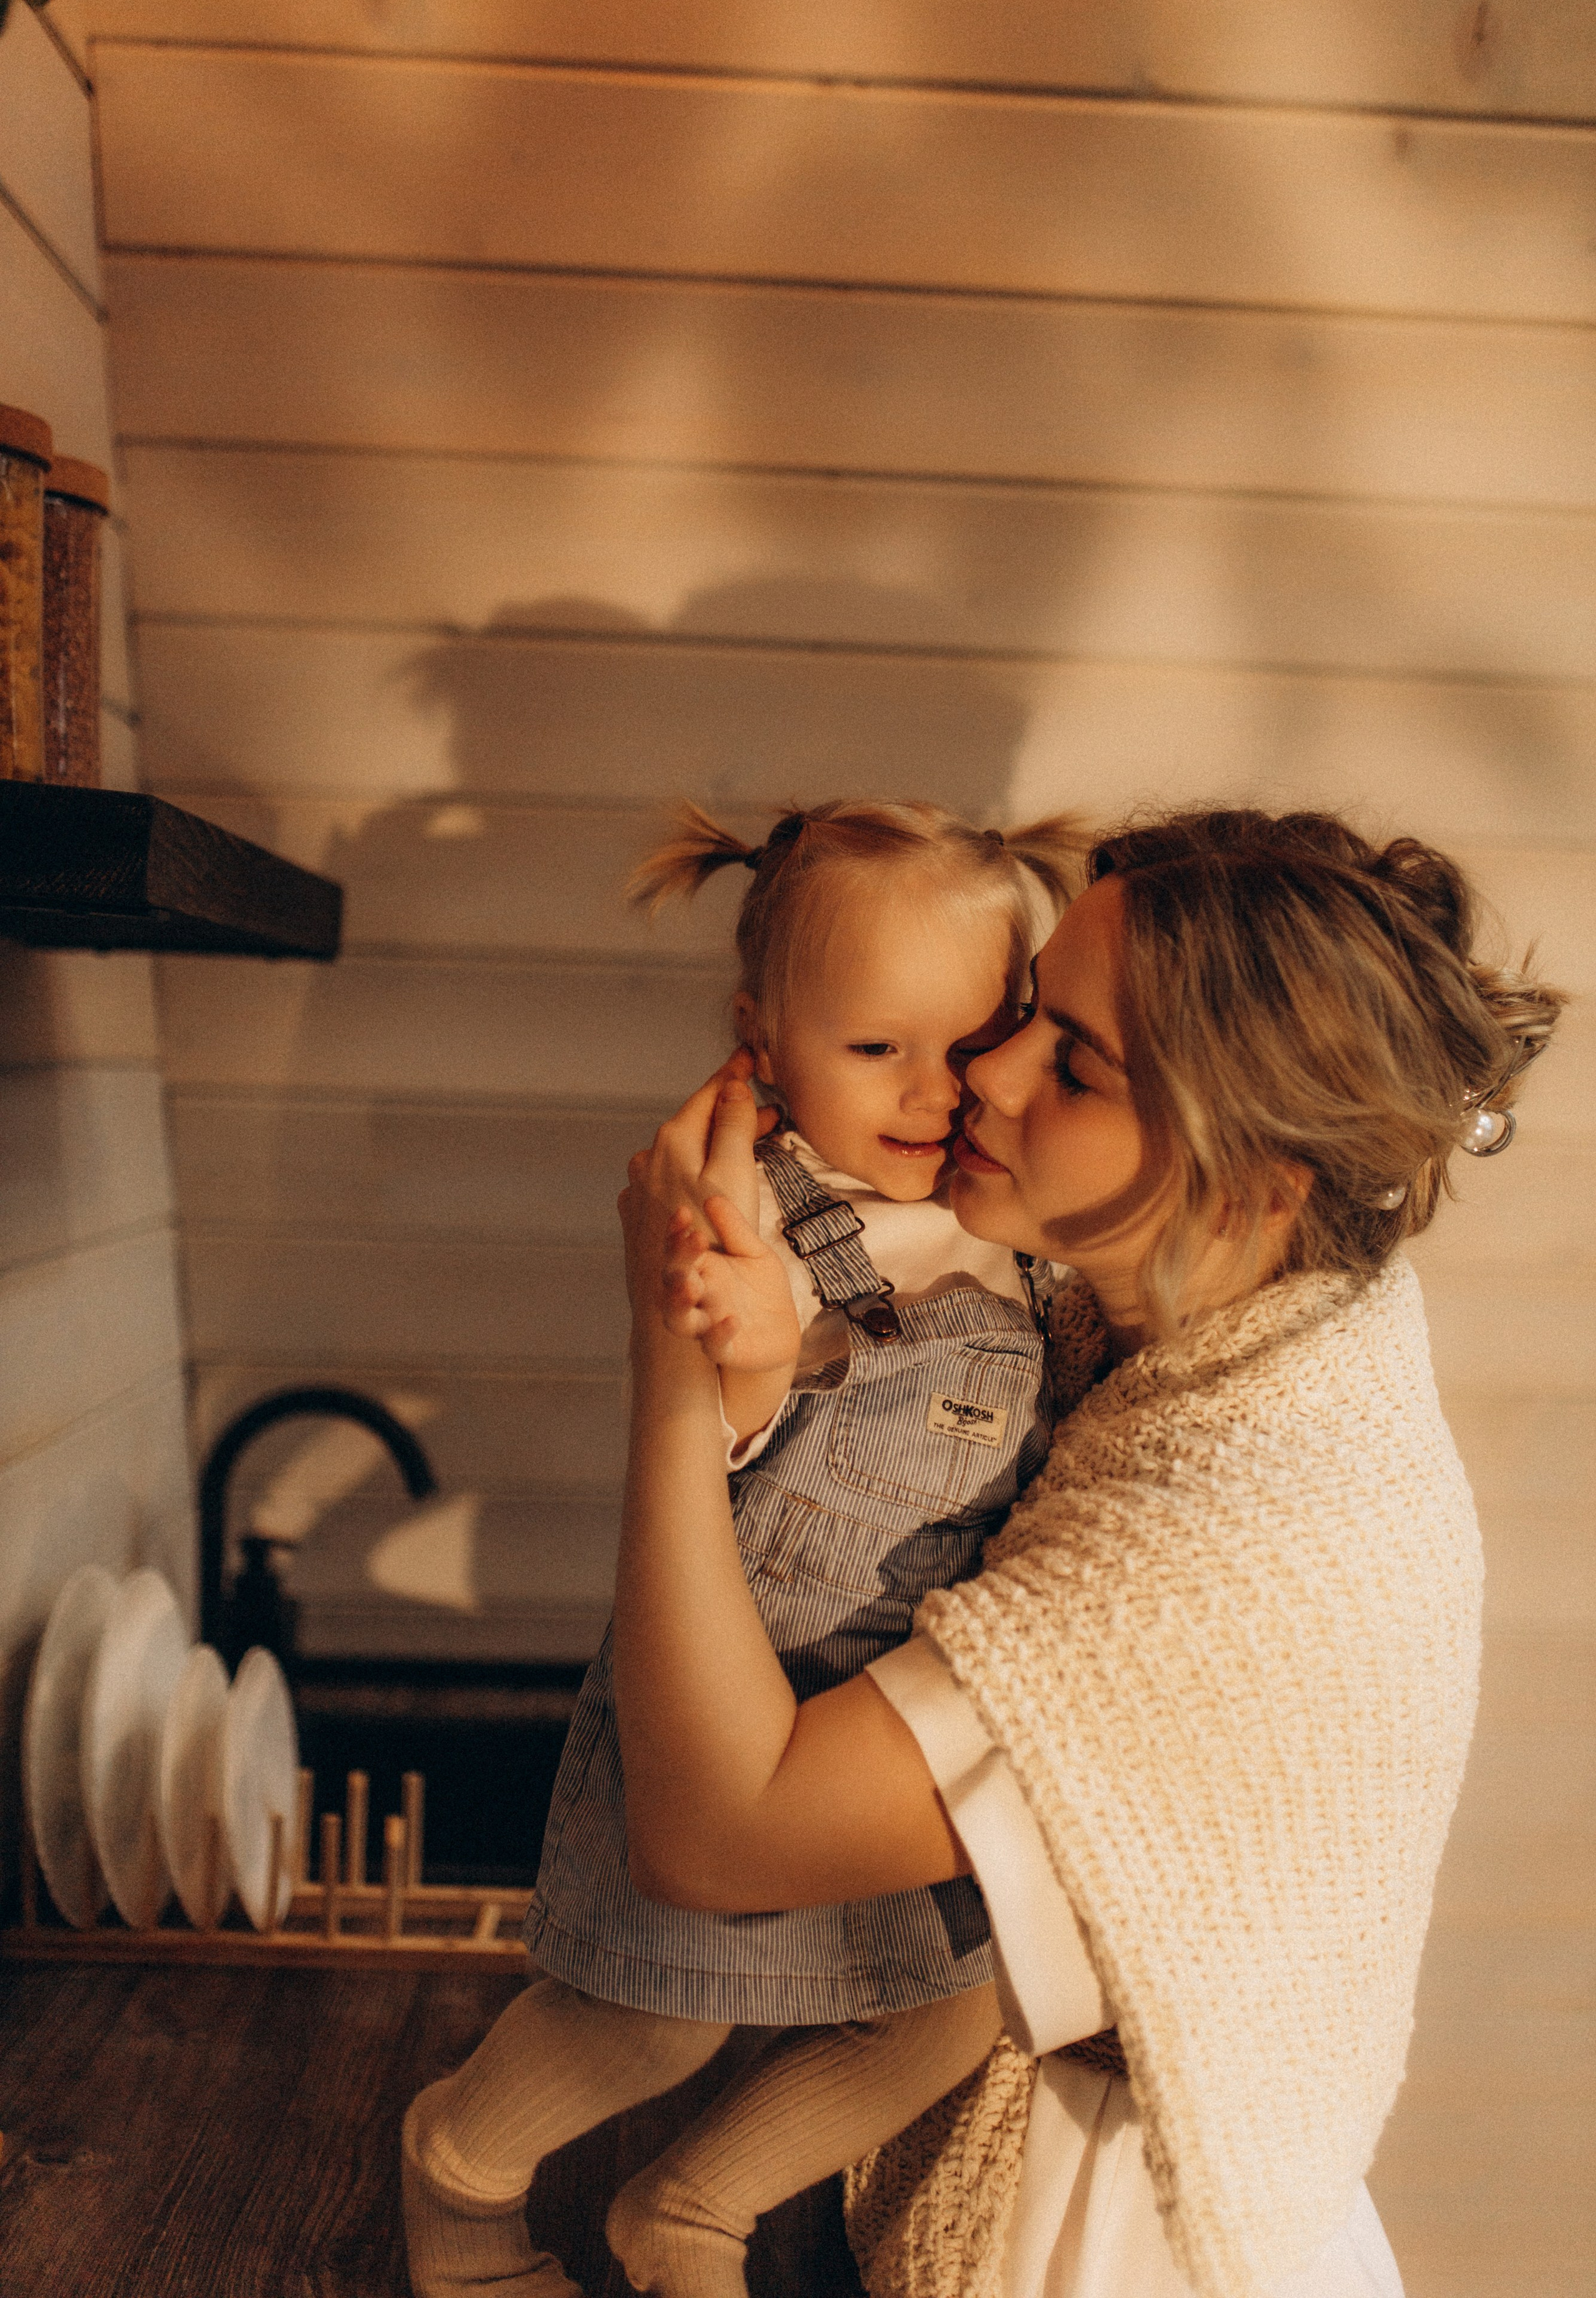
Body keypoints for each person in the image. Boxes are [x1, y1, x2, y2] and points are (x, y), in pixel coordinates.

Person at [609, 808, 1562, 2298]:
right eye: (1020, 1011)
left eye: (1070, 1060)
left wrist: (669, 1358)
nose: (981, 1073)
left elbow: (713, 1839)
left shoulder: (1239, 1539)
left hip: (1109, 2241)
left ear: (1249, 1178)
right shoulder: (1194, 1318)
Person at [403, 799, 1085, 2298]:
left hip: (898, 1721)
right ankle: (458, 2171)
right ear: (760, 1040)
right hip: (739, 1691)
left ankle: (694, 2210)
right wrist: (756, 1357)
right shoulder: (747, 1206)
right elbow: (710, 1447)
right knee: (653, 2014)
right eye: (874, 1050)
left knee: (952, 2011)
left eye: (972, 1044)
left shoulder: (1001, 1210)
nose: (933, 1094)